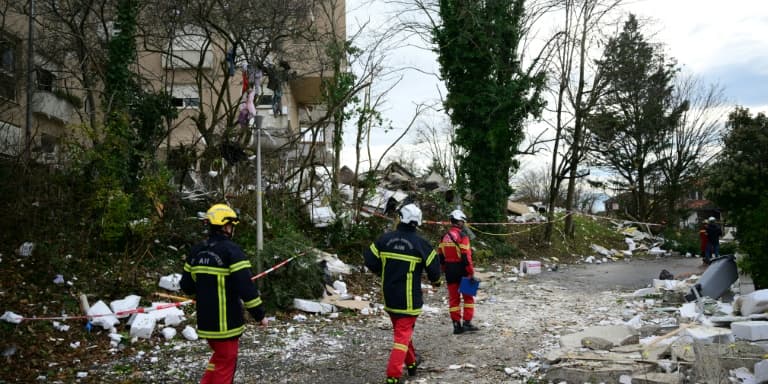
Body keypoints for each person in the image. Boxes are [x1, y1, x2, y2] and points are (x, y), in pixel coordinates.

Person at [180, 203, 268, 384]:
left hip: (205, 322)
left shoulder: (196, 251)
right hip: (226, 324)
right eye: (231, 225)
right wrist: (260, 315)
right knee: (226, 362)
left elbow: (186, 286)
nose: (232, 229)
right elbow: (246, 288)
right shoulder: (232, 251)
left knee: (219, 358)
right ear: (226, 226)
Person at [363, 203, 442, 384]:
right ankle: (393, 375)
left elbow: (369, 259)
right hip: (409, 300)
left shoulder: (384, 240)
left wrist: (382, 271)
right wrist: (436, 282)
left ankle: (412, 363)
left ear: (401, 218)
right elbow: (434, 270)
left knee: (402, 333)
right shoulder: (421, 244)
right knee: (402, 336)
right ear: (417, 222)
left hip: (390, 297)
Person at [437, 209, 479, 334]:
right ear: (459, 222)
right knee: (468, 298)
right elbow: (466, 256)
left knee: (454, 299)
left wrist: (444, 269)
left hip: (450, 270)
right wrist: (471, 272)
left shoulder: (444, 237)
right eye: (463, 221)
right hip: (463, 270)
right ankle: (467, 323)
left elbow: (440, 256)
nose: (464, 224)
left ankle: (456, 326)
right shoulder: (462, 236)